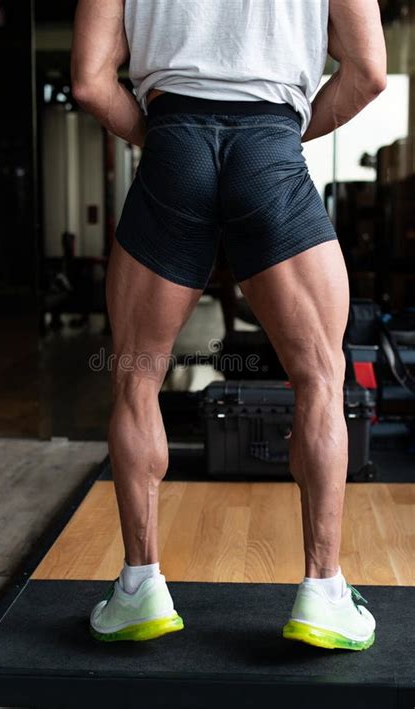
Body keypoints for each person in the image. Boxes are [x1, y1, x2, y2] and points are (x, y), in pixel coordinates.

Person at [71, 0, 386, 650]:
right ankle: (325, 592)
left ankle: (139, 588)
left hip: (171, 139)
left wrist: (172, 147)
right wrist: (273, 145)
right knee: (322, 376)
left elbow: (90, 81)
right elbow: (368, 73)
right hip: (270, 139)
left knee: (134, 377)